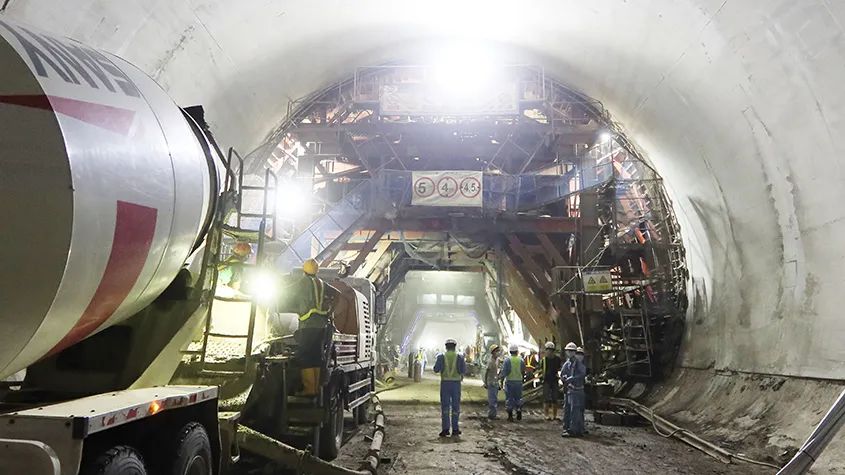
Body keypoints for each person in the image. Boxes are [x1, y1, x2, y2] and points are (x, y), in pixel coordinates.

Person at [293, 258, 331, 396]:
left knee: (305, 357)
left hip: (308, 323)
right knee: (315, 357)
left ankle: (308, 389)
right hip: (321, 325)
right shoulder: (321, 283)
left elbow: (290, 293)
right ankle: (315, 389)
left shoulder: (304, 282)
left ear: (304, 270)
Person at [433, 338, 466, 437]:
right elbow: (463, 370)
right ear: (455, 347)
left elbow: (436, 369)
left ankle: (445, 429)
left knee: (445, 407)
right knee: (456, 407)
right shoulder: (460, 357)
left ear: (446, 347)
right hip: (456, 384)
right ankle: (455, 429)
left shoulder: (441, 357)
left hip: (445, 384)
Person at [561, 343, 587, 437]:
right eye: (568, 351)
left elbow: (582, 374)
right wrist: (564, 378)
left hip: (577, 390)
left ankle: (575, 429)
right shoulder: (567, 364)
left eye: (572, 351)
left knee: (575, 411)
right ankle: (568, 428)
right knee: (568, 410)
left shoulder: (579, 364)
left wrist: (572, 378)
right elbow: (562, 374)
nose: (570, 353)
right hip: (570, 390)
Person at [499, 344, 526, 422]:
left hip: (510, 382)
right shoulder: (521, 360)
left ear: (510, 351)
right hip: (518, 382)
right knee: (518, 397)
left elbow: (504, 372)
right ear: (517, 351)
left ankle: (510, 416)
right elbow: (523, 371)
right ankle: (519, 411)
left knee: (509, 398)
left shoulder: (507, 360)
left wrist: (501, 381)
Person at [540, 341, 563, 421]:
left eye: (551, 350)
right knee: (546, 398)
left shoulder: (557, 359)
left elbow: (559, 369)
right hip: (546, 381)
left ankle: (554, 415)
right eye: (548, 350)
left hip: (554, 381)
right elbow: (541, 370)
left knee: (554, 398)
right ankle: (546, 415)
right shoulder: (544, 360)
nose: (549, 352)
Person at [483, 344, 502, 420]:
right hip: (491, 383)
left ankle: (493, 414)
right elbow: (486, 372)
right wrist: (485, 383)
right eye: (497, 351)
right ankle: (491, 415)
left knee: (494, 399)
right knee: (492, 400)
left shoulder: (497, 360)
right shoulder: (490, 361)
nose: (498, 352)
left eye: (498, 351)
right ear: (493, 352)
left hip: (495, 382)